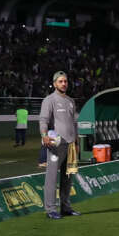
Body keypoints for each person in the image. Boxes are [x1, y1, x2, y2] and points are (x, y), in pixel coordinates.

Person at [39, 71, 80, 219]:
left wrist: (76, 141)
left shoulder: (70, 101)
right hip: (56, 145)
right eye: (61, 81)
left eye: (66, 81)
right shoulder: (49, 100)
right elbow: (43, 120)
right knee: (51, 177)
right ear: (55, 83)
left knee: (67, 177)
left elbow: (74, 123)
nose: (64, 84)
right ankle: (50, 209)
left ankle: (66, 207)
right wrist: (44, 135)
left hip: (70, 144)